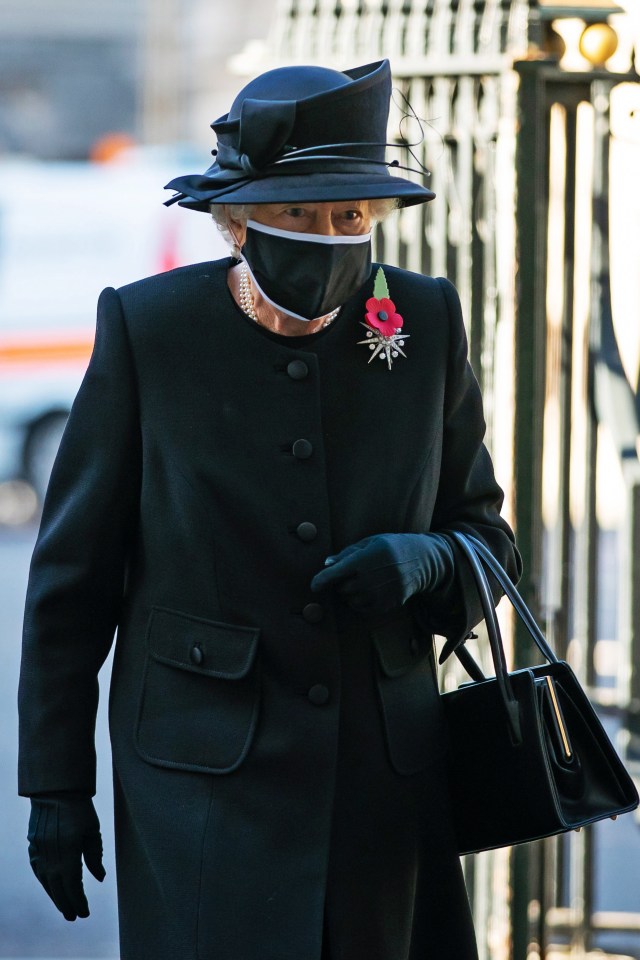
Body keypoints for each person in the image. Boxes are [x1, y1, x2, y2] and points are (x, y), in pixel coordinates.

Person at [18, 59, 520, 960]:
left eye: (351, 217)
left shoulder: (424, 318)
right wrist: (56, 784)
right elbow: (73, 579)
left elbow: (488, 539)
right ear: (238, 223)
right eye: (300, 214)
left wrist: (427, 560)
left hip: (383, 779)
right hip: (201, 780)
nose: (330, 236)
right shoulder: (149, 329)